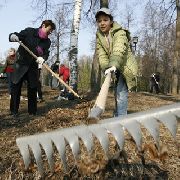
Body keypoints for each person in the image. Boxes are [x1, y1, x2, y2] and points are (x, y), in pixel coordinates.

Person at [95, 8, 138, 117]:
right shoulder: (99, 36)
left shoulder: (120, 33)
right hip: (114, 67)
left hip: (125, 66)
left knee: (121, 93)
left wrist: (113, 64)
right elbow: (102, 54)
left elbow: (118, 50)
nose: (102, 23)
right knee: (116, 93)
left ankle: (121, 120)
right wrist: (106, 67)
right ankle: (117, 115)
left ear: (111, 21)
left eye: (105, 20)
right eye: (99, 21)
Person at [9, 20, 56, 117]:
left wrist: (43, 58)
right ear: (43, 25)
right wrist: (13, 36)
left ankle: (32, 112)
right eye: (49, 29)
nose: (50, 32)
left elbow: (46, 52)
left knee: (33, 88)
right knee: (16, 88)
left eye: (52, 31)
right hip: (20, 65)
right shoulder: (30, 31)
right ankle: (14, 111)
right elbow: (17, 35)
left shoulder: (47, 42)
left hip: (32, 67)